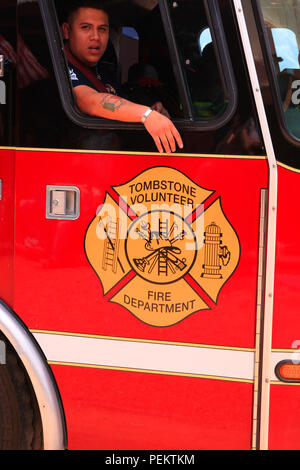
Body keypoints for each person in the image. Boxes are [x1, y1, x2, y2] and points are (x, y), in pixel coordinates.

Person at [62, 0, 183, 153]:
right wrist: (146, 115)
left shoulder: (105, 71)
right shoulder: (64, 69)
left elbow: (120, 104)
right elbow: (89, 101)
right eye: (85, 28)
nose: (96, 37)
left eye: (102, 29)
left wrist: (152, 111)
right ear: (66, 31)